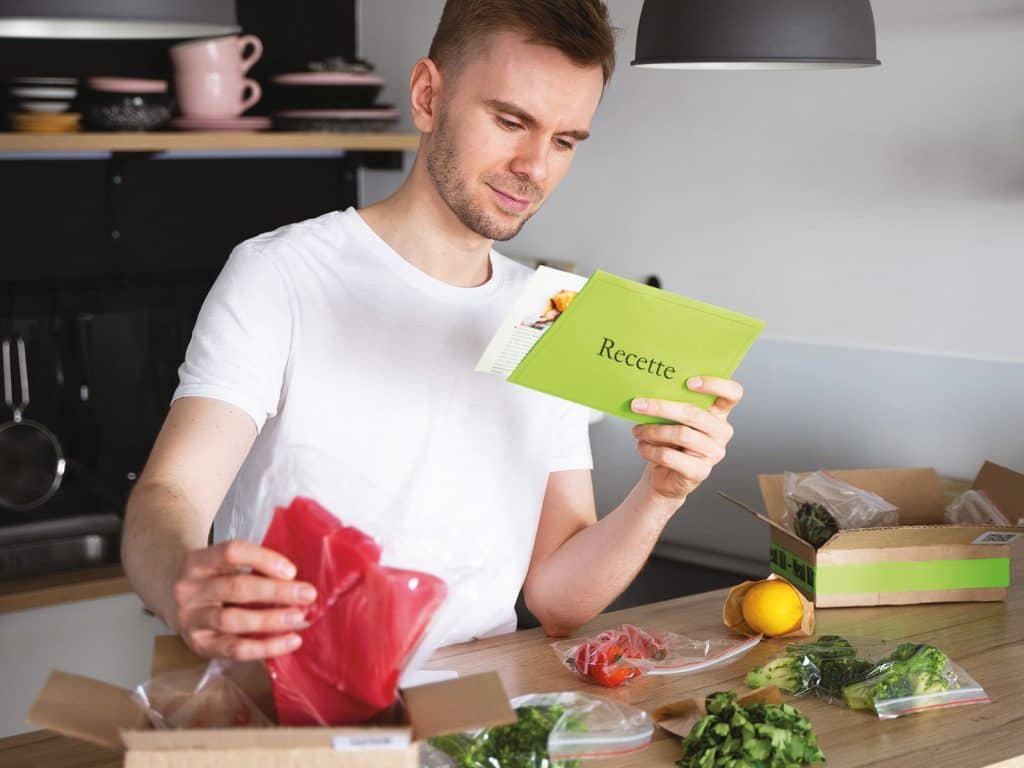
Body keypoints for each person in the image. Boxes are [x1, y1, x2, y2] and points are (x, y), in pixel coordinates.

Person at [122, 0, 744, 662]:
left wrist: (660, 494)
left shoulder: (550, 311)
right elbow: (171, 495)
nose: (536, 166)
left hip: (476, 727)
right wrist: (179, 579)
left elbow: (557, 600)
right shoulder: (281, 274)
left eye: (564, 141)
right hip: (295, 721)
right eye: (511, 121)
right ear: (427, 97)